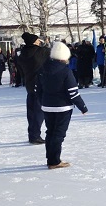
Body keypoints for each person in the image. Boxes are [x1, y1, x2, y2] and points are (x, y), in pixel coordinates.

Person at [36, 41, 88, 169]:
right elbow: (73, 92)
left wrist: (42, 102)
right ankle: (54, 162)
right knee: (58, 134)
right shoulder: (66, 71)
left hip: (47, 106)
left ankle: (51, 159)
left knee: (50, 133)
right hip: (63, 107)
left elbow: (38, 89)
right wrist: (83, 107)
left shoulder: (43, 69)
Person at [15, 32, 50, 144]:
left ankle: (32, 134)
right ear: (34, 42)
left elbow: (19, 69)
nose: (40, 41)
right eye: (38, 40)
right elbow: (51, 56)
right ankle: (35, 136)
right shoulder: (40, 52)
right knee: (38, 112)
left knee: (31, 111)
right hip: (40, 84)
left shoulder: (22, 54)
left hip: (29, 84)